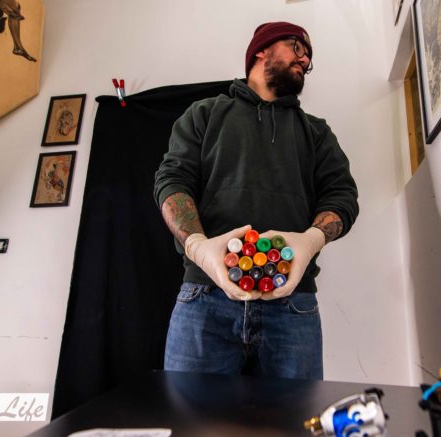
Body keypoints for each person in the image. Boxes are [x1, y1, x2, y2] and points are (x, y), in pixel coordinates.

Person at [153, 21, 359, 380]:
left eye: (308, 58)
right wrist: (199, 247)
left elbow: (342, 196)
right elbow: (172, 182)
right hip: (205, 299)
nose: (305, 59)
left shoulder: (317, 132)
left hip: (292, 305)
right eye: (297, 47)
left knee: (295, 413)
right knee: (190, 412)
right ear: (261, 50)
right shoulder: (204, 114)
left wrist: (311, 240)